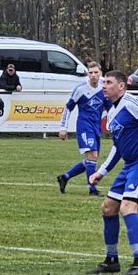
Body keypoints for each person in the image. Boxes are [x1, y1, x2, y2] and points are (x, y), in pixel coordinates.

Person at [85, 71, 138, 275]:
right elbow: (117, 147)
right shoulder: (112, 111)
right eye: (103, 82)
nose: (104, 86)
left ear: (121, 86)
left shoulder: (132, 102)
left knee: (128, 207)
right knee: (108, 207)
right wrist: (101, 172)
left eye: (109, 82)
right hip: (130, 165)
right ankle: (111, 260)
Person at [57, 61, 104, 196]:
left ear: (100, 73)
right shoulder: (81, 89)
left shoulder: (103, 87)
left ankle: (65, 177)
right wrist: (63, 127)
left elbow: (110, 107)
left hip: (96, 126)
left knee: (91, 160)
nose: (93, 75)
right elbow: (68, 108)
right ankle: (92, 189)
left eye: (96, 72)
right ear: (87, 74)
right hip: (84, 126)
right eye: (91, 73)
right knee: (92, 156)